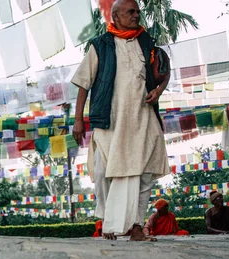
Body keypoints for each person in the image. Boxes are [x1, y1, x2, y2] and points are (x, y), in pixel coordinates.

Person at [72, 0, 170, 241]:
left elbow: (165, 72)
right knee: (106, 171)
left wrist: (159, 91)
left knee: (144, 173)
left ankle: (136, 228)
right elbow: (83, 84)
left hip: (143, 118)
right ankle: (108, 222)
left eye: (138, 11)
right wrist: (78, 120)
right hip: (109, 120)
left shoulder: (146, 42)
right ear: (115, 16)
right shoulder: (99, 45)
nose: (137, 15)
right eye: (131, 12)